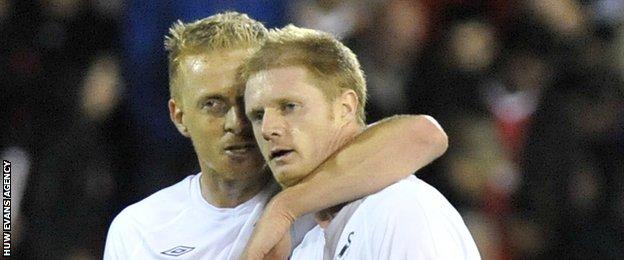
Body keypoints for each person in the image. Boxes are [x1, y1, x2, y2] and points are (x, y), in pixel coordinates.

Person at [104, 12, 448, 259]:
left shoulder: (326, 181)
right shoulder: (138, 230)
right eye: (212, 104)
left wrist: (285, 206)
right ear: (179, 117)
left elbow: (423, 135)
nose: (237, 123)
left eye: (248, 103)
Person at [241, 25, 480, 259]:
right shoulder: (308, 248)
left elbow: (426, 133)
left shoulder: (401, 211)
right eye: (258, 115)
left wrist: (284, 207)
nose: (267, 129)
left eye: (289, 107)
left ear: (345, 108)